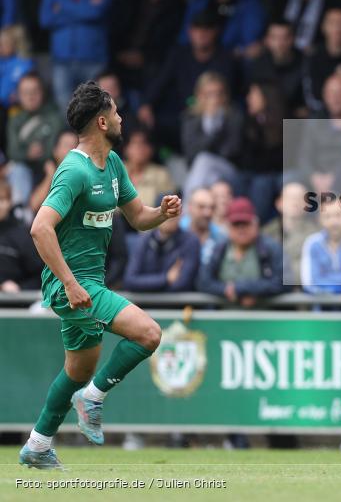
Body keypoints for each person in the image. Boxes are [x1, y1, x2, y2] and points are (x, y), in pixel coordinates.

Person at [19, 81, 181, 469]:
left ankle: (37, 445)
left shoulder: (113, 164)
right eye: (117, 112)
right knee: (149, 334)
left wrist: (161, 213)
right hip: (72, 286)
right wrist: (70, 283)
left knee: (78, 371)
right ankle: (92, 398)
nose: (122, 118)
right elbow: (40, 228)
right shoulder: (74, 171)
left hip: (90, 284)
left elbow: (138, 217)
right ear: (103, 122)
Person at [140, 10, 237, 153]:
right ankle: (167, 158)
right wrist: (146, 103)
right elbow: (161, 81)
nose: (201, 34)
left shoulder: (225, 58)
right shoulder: (179, 53)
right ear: (190, 31)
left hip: (212, 112)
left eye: (206, 30)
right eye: (197, 29)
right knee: (150, 122)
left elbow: (226, 94)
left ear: (215, 32)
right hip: (182, 112)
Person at [38, 0, 113, 111]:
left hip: (93, 60)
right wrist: (85, 7)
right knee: (65, 110)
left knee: (95, 112)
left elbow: (96, 12)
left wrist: (62, 7)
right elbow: (45, 19)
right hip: (62, 61)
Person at [108, 0, 185, 93]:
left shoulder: (177, 3)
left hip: (155, 63)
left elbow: (173, 40)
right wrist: (120, 53)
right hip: (123, 59)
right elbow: (115, 29)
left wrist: (145, 56)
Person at [196, 197, 285, 307]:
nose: (241, 229)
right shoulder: (220, 248)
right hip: (225, 314)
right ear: (228, 226)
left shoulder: (270, 248)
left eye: (246, 223)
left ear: (255, 224)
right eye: (236, 224)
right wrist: (225, 290)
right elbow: (203, 281)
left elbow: (282, 282)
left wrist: (246, 289)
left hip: (264, 314)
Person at [181, 72, 242, 200]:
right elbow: (190, 155)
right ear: (199, 96)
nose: (214, 99)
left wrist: (216, 123)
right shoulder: (190, 118)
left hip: (229, 171)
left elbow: (231, 152)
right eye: (209, 94)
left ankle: (187, 208)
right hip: (203, 172)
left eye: (218, 93)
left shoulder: (233, 116)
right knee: (209, 174)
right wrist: (211, 123)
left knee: (204, 160)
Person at [5, 74, 64, 208]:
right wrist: (28, 153)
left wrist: (39, 154)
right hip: (24, 169)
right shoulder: (15, 120)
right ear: (19, 95)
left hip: (49, 168)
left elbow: (57, 148)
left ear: (42, 93)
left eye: (34, 91)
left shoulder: (54, 118)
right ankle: (21, 211)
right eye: (25, 92)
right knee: (17, 169)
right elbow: (12, 151)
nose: (30, 96)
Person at [301, 7, 341, 114]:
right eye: (333, 23)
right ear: (323, 27)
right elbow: (311, 94)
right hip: (321, 113)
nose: (338, 28)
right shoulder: (314, 57)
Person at [240, 80, 284, 220]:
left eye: (253, 95)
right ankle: (255, 223)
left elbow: (287, 157)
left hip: (281, 171)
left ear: (266, 97)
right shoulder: (248, 123)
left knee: (288, 180)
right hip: (258, 174)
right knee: (261, 183)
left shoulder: (283, 121)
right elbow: (248, 160)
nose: (248, 99)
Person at [123, 215, 200, 293]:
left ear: (180, 215)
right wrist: (166, 279)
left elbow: (181, 285)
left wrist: (145, 287)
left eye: (174, 212)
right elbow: (129, 281)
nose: (169, 216)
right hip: (147, 301)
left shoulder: (190, 241)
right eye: (164, 211)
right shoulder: (144, 240)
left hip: (175, 300)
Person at [261, 182, 317, 286]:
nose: (295, 202)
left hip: (302, 288)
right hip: (272, 290)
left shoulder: (315, 235)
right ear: (279, 203)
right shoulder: (265, 233)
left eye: (300, 198)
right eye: (290, 198)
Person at [246, 21, 305, 116]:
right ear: (266, 40)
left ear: (293, 39)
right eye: (274, 38)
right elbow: (253, 103)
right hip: (266, 117)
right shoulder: (258, 65)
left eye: (285, 38)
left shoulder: (305, 63)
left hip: (294, 119)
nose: (280, 43)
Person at [0, 179, 43, 291]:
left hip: (16, 300)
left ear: (9, 202)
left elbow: (40, 274)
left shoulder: (22, 235)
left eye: (1, 199)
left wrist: (19, 288)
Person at [122, 128, 175, 208]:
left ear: (151, 149)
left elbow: (169, 207)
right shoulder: (114, 171)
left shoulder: (161, 174)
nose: (140, 148)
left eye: (144, 143)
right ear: (126, 148)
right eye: (135, 143)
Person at [29, 131, 78, 217]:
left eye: (73, 146)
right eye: (66, 145)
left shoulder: (84, 175)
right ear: (55, 151)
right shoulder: (45, 171)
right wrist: (50, 176)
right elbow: (34, 206)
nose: (70, 150)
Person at [0, 24, 36, 108]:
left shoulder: (23, 64)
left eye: (2, 45)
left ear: (13, 44)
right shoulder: (3, 61)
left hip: (16, 107)